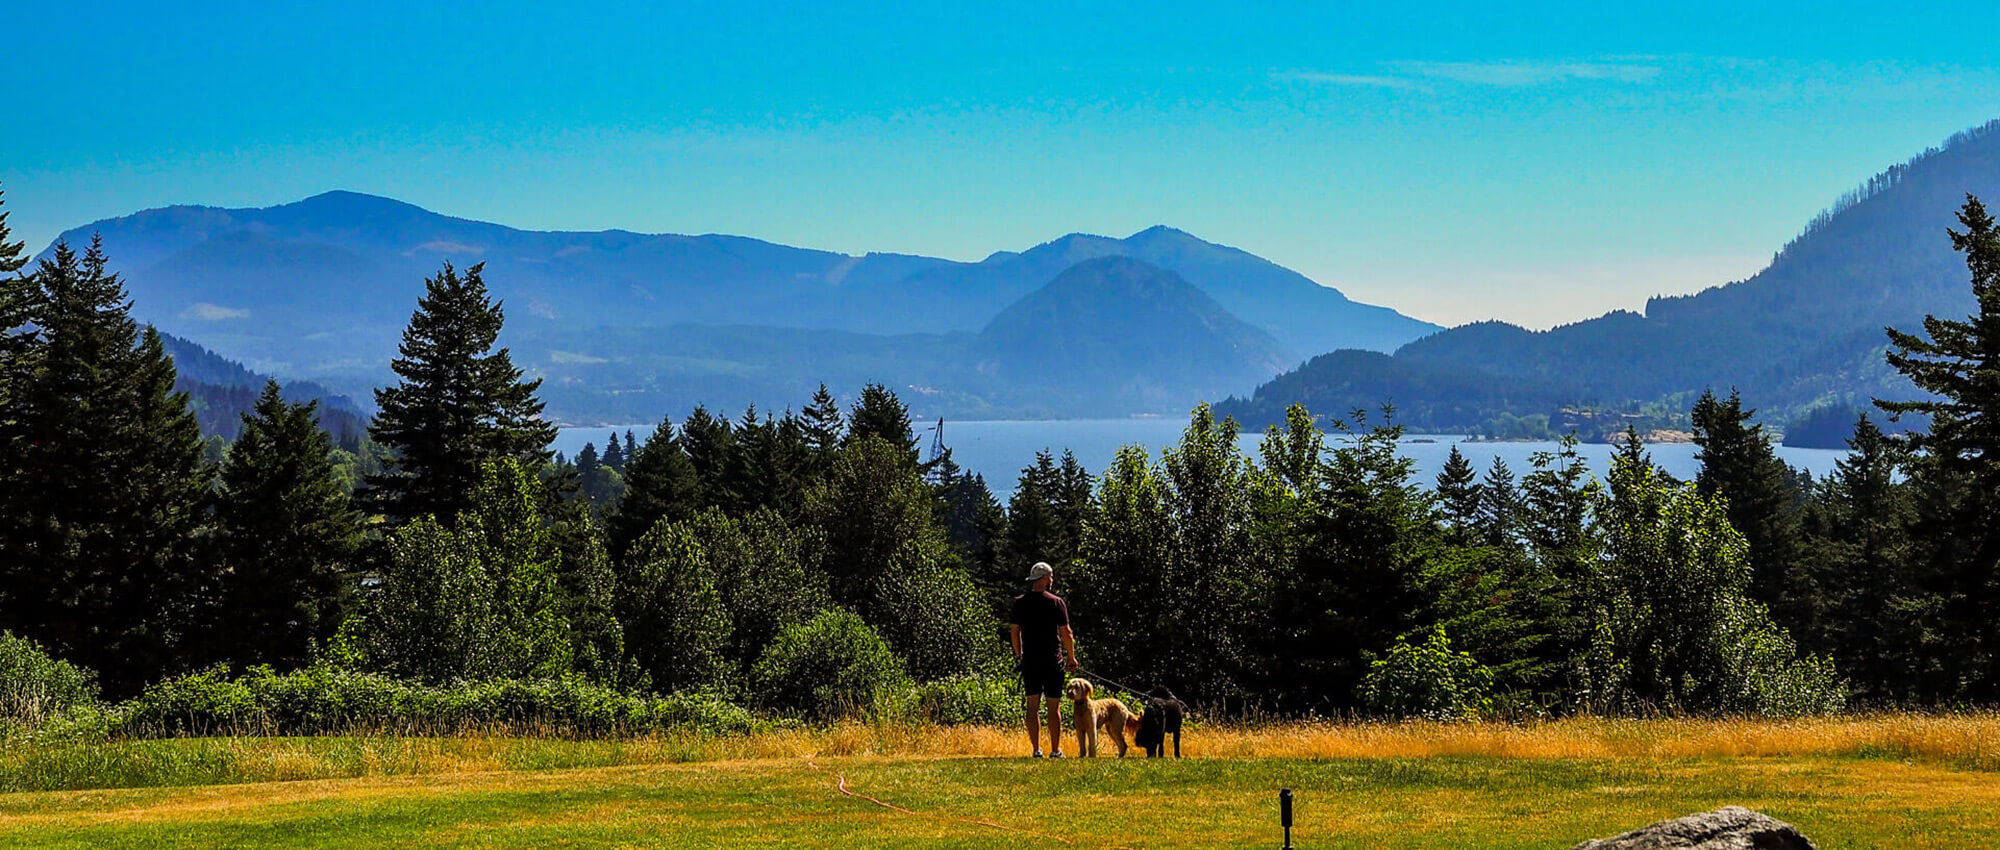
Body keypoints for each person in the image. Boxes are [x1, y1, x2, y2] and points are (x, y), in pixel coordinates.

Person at [1008, 561, 1077, 758]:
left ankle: (1036, 749)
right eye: (1051, 576)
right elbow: (1066, 633)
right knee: (1053, 708)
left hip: (1030, 661)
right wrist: (1071, 658)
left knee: (1032, 707)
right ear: (1045, 578)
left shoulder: (1020, 602)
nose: (1052, 580)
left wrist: (1019, 655)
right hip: (1053, 661)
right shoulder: (1056, 602)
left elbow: (1014, 633)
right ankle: (1055, 750)